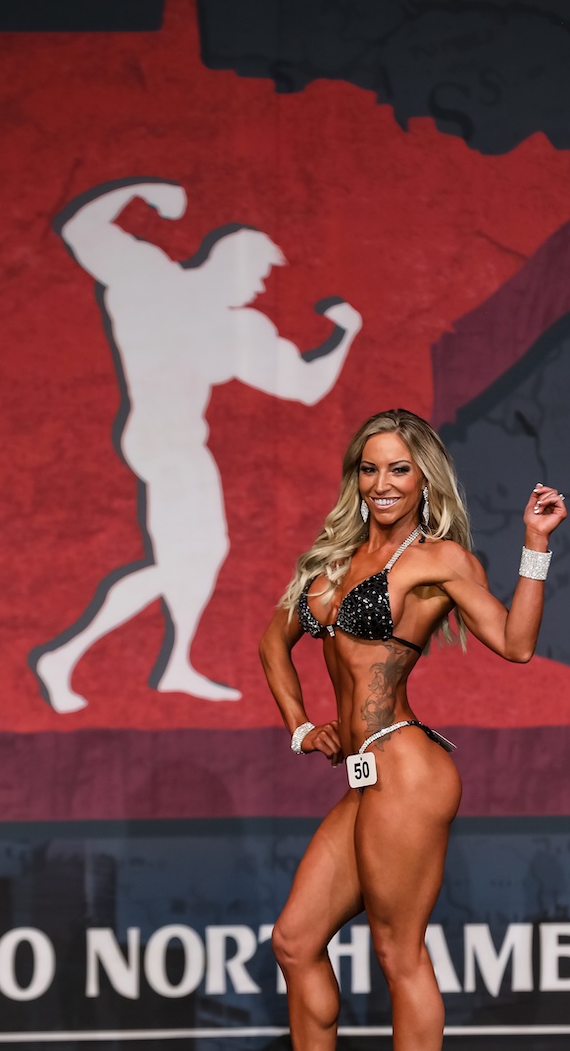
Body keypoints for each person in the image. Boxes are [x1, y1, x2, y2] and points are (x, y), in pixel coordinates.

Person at [259, 408, 566, 1051]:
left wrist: (535, 544)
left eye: (399, 468)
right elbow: (273, 641)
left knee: (399, 956)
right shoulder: (332, 560)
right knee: (294, 940)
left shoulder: (437, 561)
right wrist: (301, 726)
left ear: (424, 477)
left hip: (408, 766)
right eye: (369, 468)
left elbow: (516, 643)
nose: (382, 483)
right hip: (364, 777)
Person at [32, 179, 362, 713]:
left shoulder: (227, 323)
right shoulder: (154, 281)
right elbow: (81, 229)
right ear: (232, 264)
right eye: (258, 275)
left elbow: (305, 386)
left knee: (201, 556)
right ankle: (65, 656)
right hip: (166, 444)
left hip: (177, 443)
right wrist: (147, 188)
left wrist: (343, 337)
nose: (259, 288)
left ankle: (175, 662)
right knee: (184, 560)